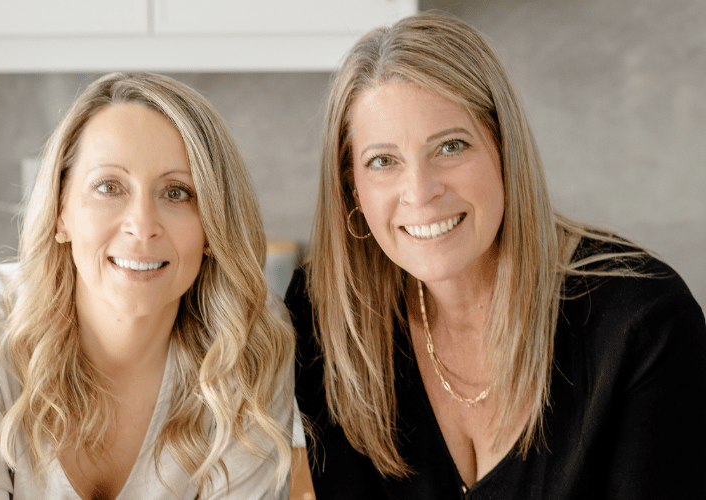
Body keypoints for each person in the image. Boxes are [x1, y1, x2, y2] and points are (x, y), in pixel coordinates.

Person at [286, 11, 706, 500]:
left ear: (505, 152)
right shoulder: (327, 319)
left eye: (450, 147)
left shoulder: (644, 324)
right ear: (351, 189)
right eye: (383, 161)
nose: (420, 192)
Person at [0, 73, 294, 500]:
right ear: (60, 211)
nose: (142, 226)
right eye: (109, 187)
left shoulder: (246, 345)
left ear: (212, 228)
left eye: (178, 193)